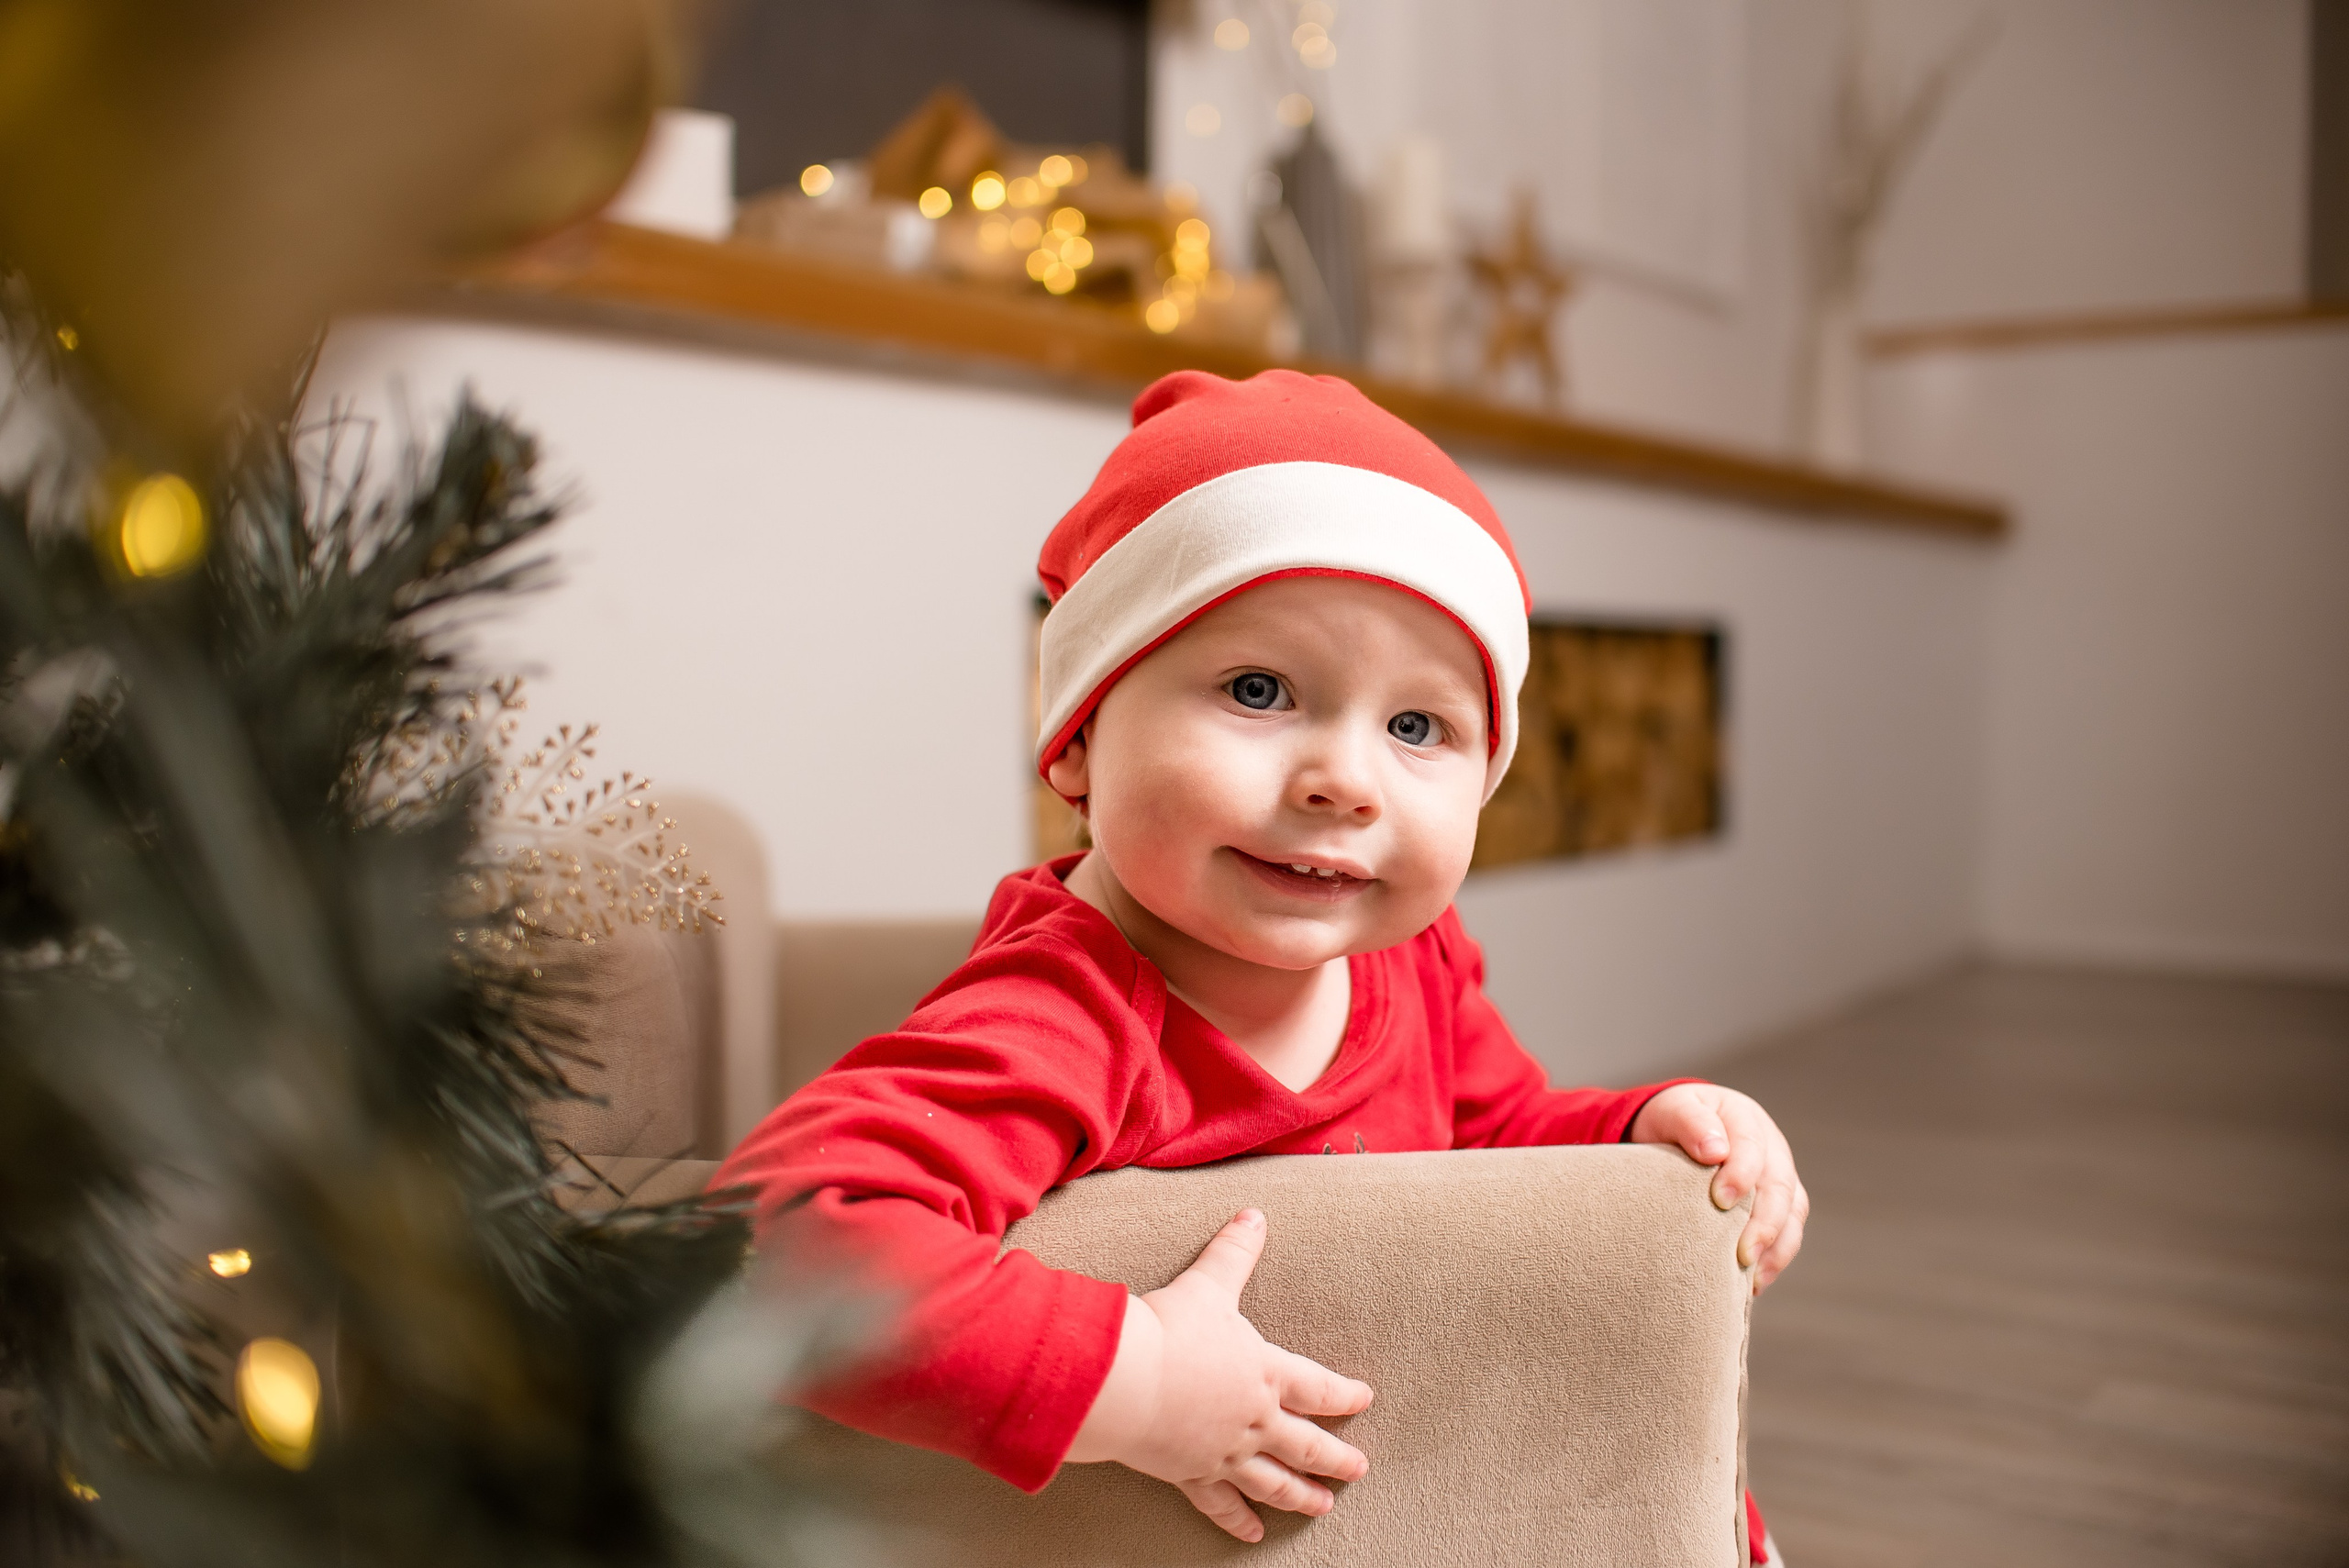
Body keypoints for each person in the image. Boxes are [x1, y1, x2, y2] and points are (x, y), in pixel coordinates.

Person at [714, 369, 1808, 1562]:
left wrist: (1649, 1125)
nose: (1344, 778)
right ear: (1077, 741)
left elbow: (1501, 1139)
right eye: (1257, 689)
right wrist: (1135, 1381)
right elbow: (786, 1236)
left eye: (1416, 726)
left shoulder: (1419, 961)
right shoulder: (1068, 1010)